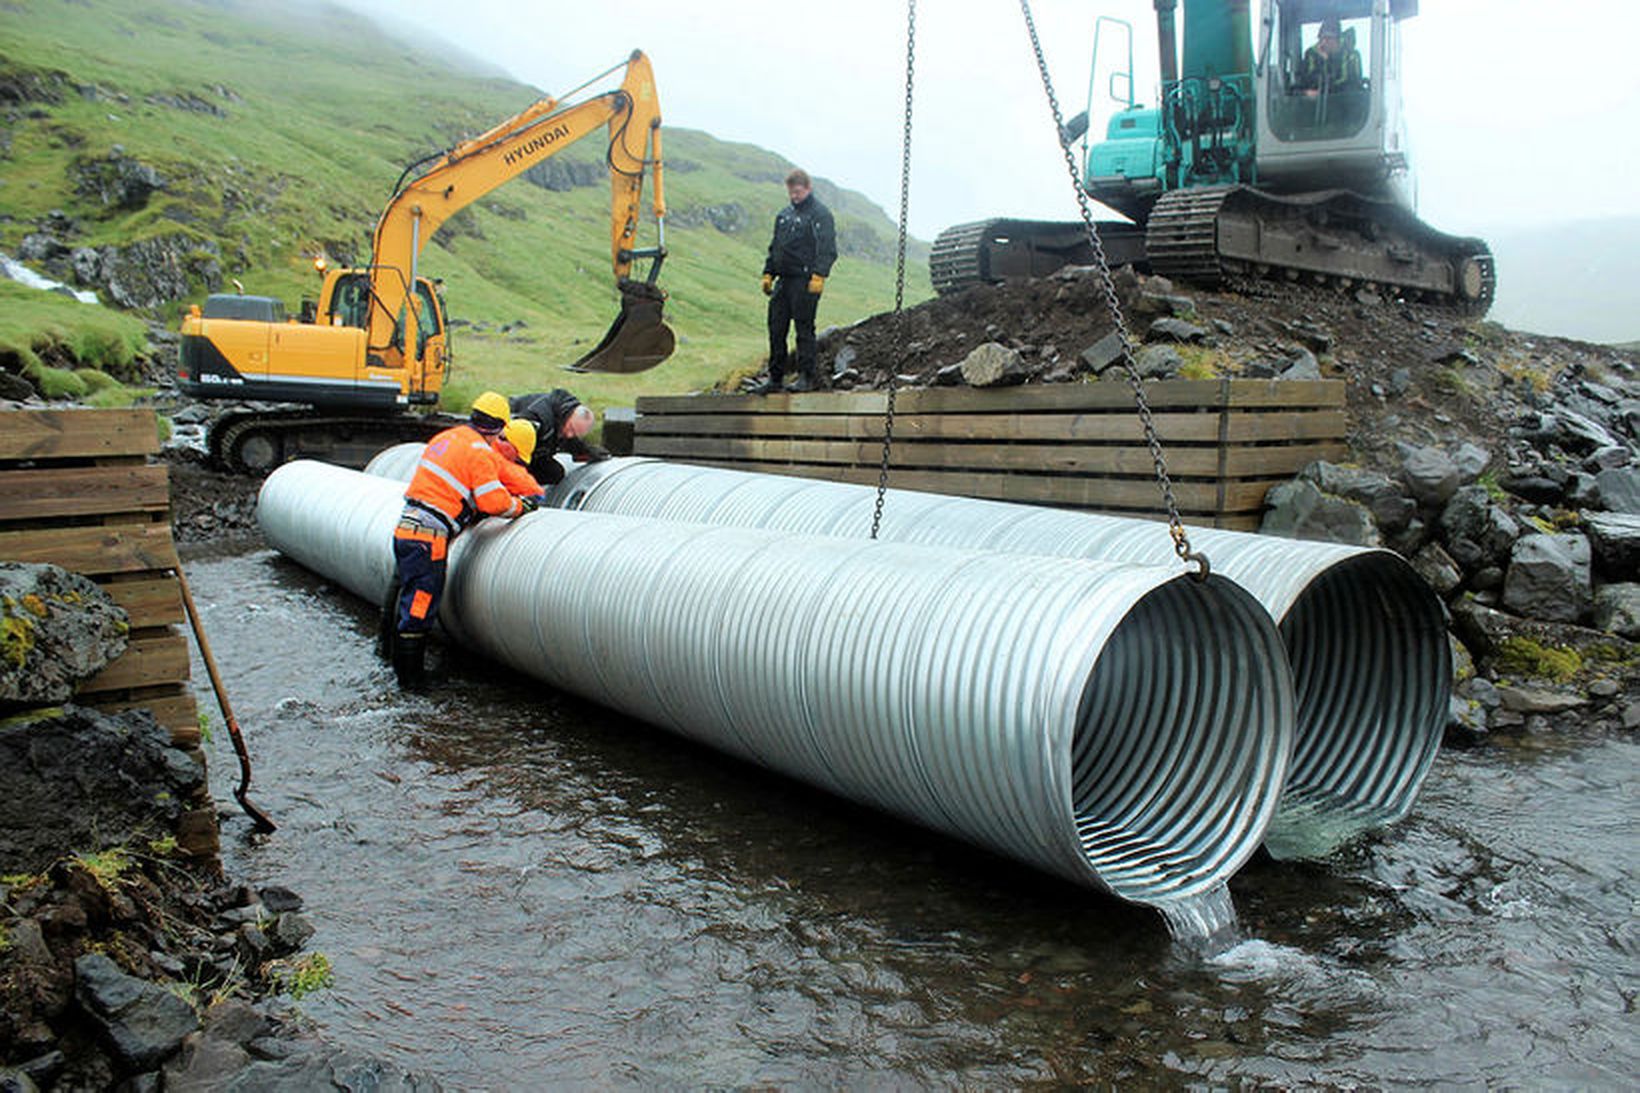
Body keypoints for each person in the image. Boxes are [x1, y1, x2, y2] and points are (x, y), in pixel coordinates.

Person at [388, 390, 538, 689]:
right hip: (428, 538)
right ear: (498, 428)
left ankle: (397, 667)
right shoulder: (478, 451)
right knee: (419, 607)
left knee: (407, 598)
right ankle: (410, 683)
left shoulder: (448, 437)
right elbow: (492, 502)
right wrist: (522, 506)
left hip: (407, 529)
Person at [754, 167, 837, 394]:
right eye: (791, 192)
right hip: (784, 280)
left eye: (798, 192)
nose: (794, 196)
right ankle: (775, 378)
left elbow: (828, 249)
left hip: (806, 280)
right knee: (776, 328)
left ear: (808, 189)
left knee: (803, 329)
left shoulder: (820, 215)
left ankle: (805, 377)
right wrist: (768, 272)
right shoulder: (784, 216)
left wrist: (820, 274)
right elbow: (776, 247)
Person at [510, 389, 607, 486]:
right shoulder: (537, 418)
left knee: (554, 473)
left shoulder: (564, 419)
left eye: (575, 434)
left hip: (535, 452)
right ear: (567, 415)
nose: (569, 435)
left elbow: (569, 441)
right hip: (513, 449)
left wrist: (586, 451)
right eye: (571, 429)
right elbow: (510, 446)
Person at [1295, 17, 1363, 98]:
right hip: (1313, 107)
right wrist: (1304, 93)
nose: (1323, 43)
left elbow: (1350, 84)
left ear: (1338, 39)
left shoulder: (1352, 56)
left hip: (1346, 106)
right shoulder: (1311, 54)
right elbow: (1305, 80)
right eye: (1321, 38)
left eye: (1328, 38)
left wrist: (1327, 61)